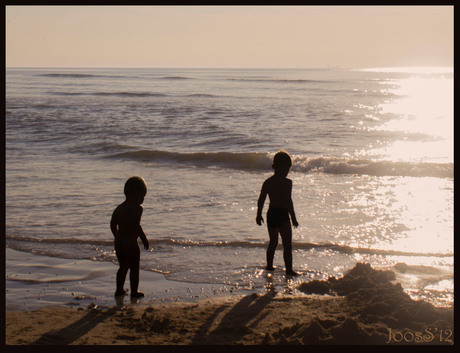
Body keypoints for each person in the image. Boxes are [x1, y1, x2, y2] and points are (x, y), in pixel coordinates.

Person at [256, 151, 299, 276]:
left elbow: (287, 201)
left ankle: (277, 267)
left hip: (275, 214)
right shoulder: (284, 183)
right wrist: (258, 214)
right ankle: (281, 268)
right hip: (278, 214)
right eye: (286, 168)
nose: (287, 171)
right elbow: (263, 199)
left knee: (278, 243)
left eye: (288, 169)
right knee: (282, 243)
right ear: (278, 167)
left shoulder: (270, 182)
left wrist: (293, 218)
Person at [111, 176, 149, 298]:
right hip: (131, 243)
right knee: (134, 268)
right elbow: (136, 225)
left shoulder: (119, 208)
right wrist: (143, 238)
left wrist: (117, 236)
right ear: (136, 194)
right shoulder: (138, 208)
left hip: (120, 242)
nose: (143, 199)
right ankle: (134, 292)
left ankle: (119, 290)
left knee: (123, 267)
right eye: (142, 196)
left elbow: (112, 224)